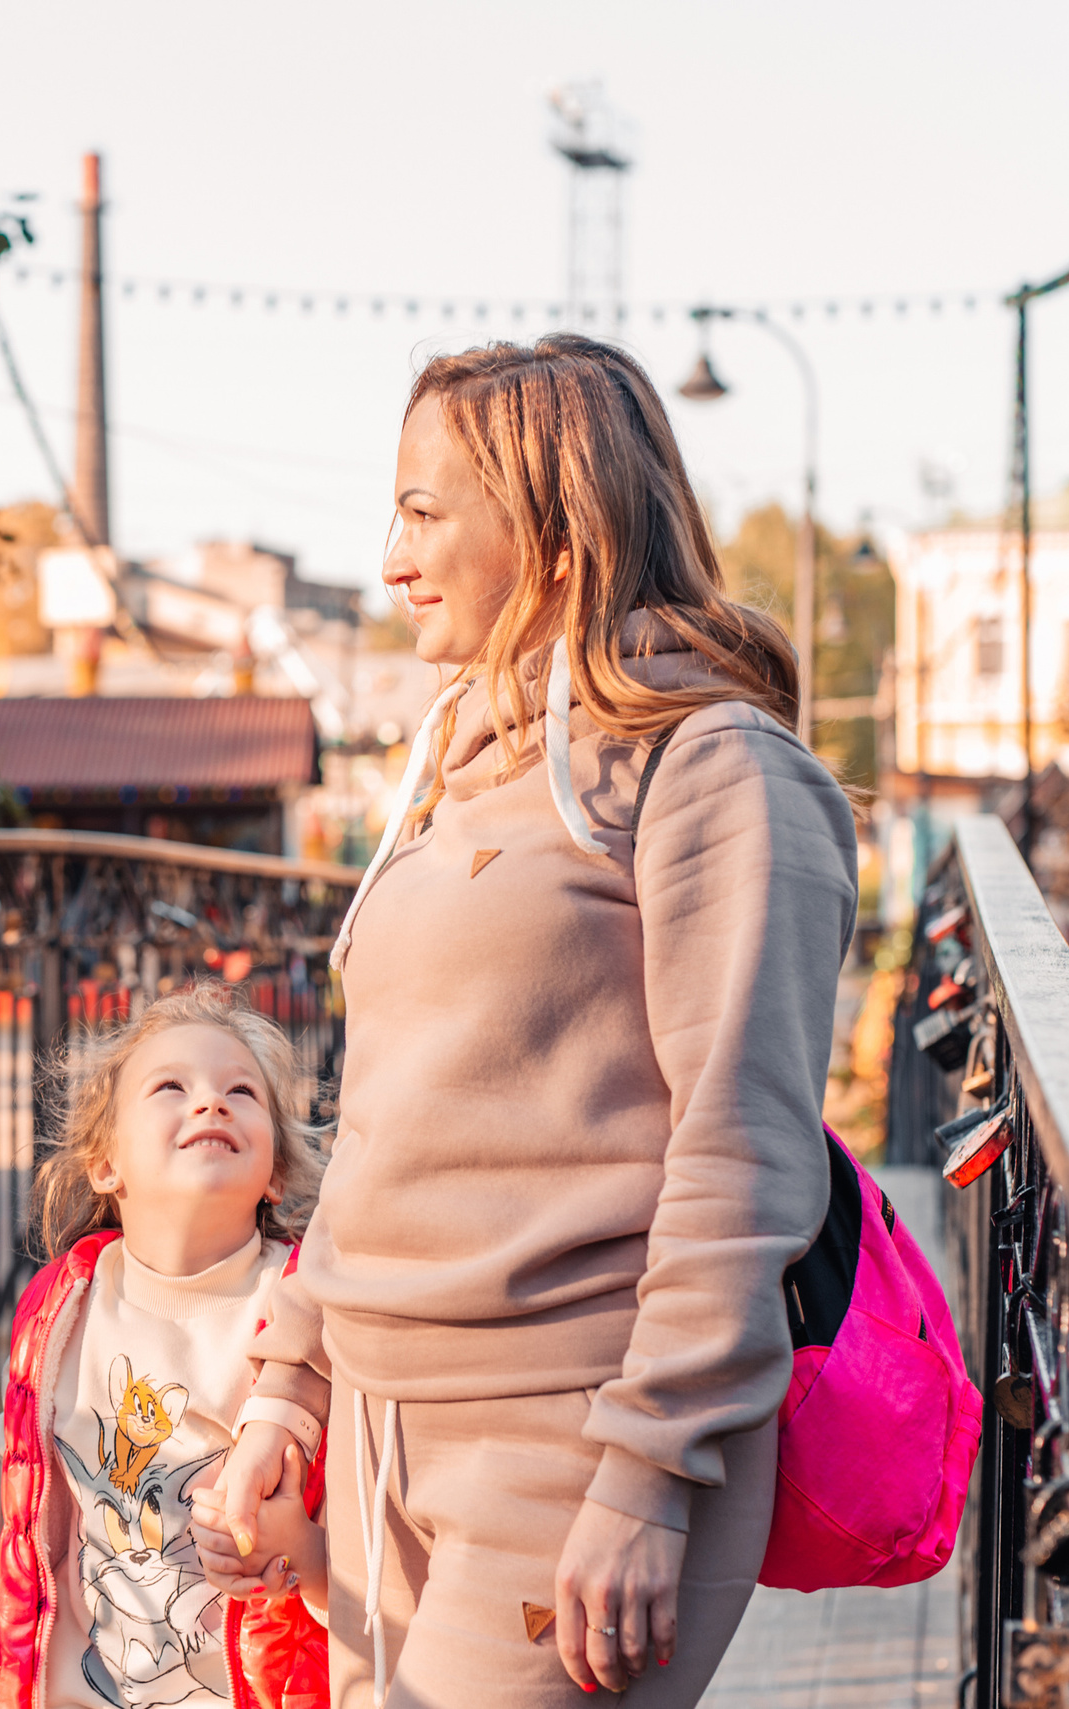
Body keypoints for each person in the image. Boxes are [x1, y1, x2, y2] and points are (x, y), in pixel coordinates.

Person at [213, 335, 858, 1708]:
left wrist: (650, 1470)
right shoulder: (460, 767)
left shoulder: (717, 768)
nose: (392, 558)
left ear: (556, 526)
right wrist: (293, 1386)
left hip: (572, 1434)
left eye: (426, 512)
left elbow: (743, 1152)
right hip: (385, 1431)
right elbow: (387, 1117)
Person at [0, 984, 331, 1709]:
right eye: (171, 1086)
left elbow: (373, 1553)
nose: (210, 1101)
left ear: (275, 1169)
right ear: (104, 1162)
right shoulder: (69, 1306)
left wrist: (302, 1550)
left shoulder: (307, 1310)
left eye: (240, 1089)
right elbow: (13, 1492)